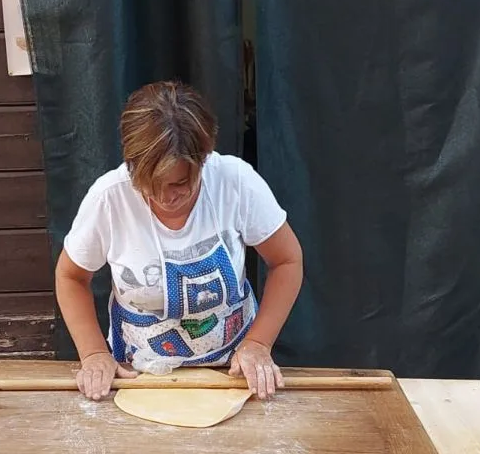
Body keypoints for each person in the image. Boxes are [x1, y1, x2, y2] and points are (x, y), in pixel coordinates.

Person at [55, 81, 303, 401]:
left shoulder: (235, 183)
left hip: (233, 370)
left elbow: (286, 260)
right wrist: (93, 353)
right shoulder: (109, 198)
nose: (165, 197)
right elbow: (71, 276)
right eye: (150, 183)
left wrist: (258, 343)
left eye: (180, 183)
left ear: (203, 159)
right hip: (138, 373)